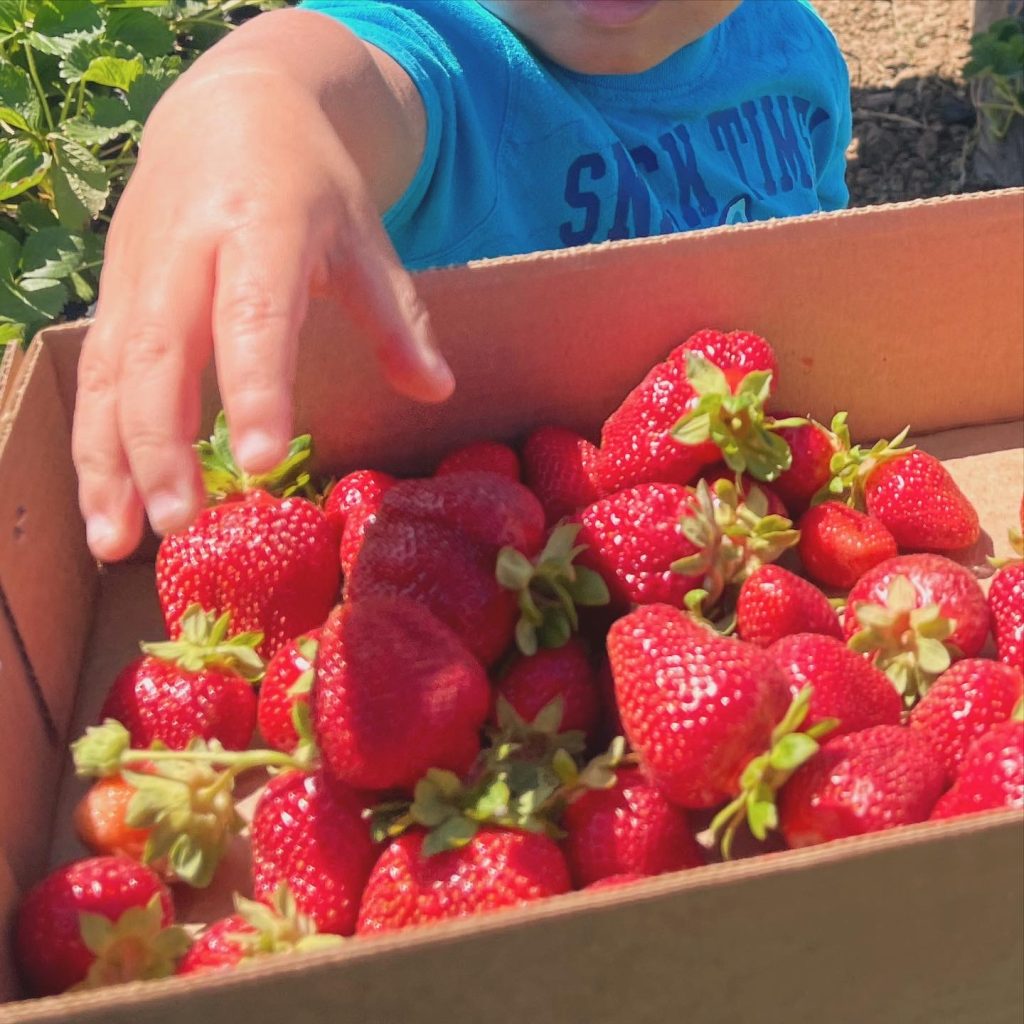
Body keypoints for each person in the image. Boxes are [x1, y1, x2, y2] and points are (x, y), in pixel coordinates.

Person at [73, 0, 851, 562]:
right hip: (469, 558)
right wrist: (242, 109)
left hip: (740, 522)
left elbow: (824, 275)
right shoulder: (444, 60)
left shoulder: (795, 54)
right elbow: (323, 75)